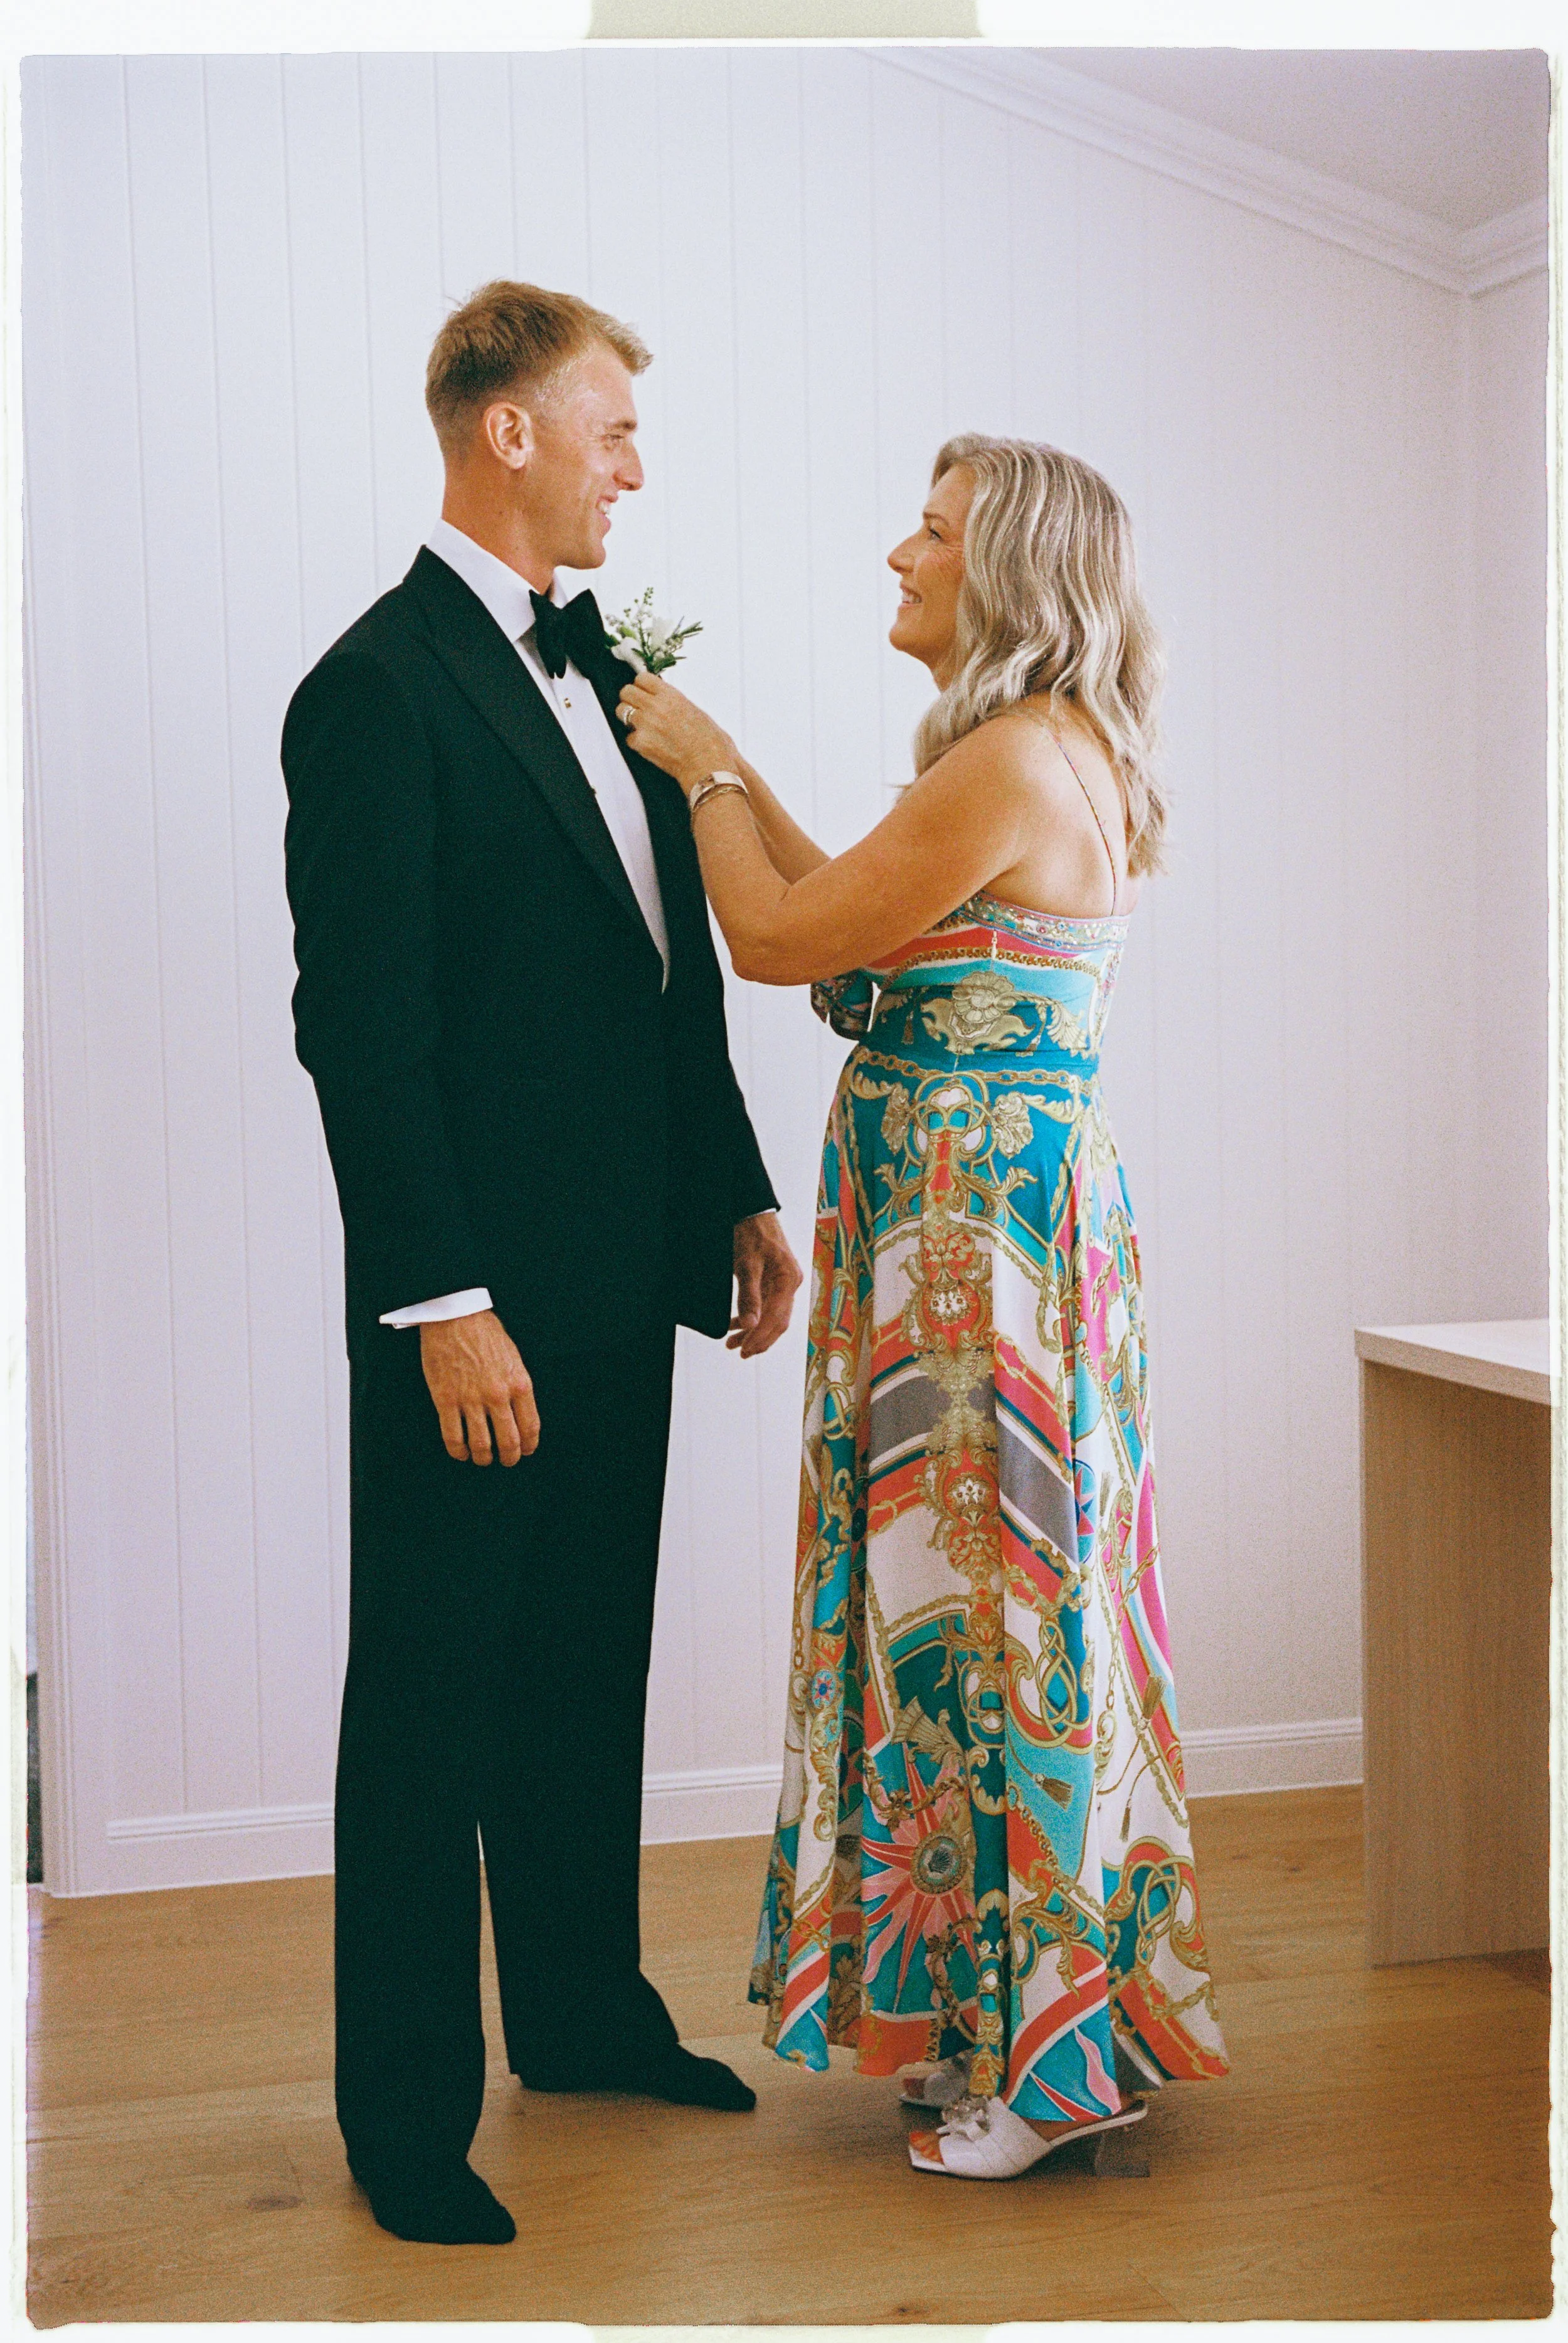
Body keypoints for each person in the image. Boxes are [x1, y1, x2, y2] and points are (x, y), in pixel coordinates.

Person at [618, 433, 1229, 2181]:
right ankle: (1008, 2020)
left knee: (991, 1615)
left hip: (973, 1260)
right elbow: (851, 921)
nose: (901, 553)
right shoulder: (1020, 756)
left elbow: (779, 941)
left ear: (1012, 573)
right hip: (985, 1239)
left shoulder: (1011, 757)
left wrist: (708, 763)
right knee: (977, 1613)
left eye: (938, 533)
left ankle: (1044, 2071)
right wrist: (727, 779)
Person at [281, 280, 800, 2246]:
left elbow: (653, 983)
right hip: (473, 1307)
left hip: (616, 1273)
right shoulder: (373, 688)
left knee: (586, 1654)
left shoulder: (603, 676)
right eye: (610, 431)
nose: (632, 469)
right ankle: (404, 2123)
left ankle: (582, 2017)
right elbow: (364, 1029)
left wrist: (731, 1195)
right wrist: (441, 1305)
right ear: (506, 431)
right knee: (431, 1690)